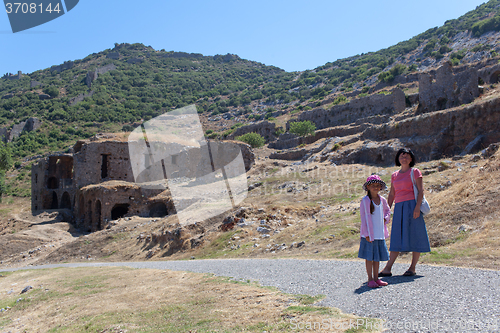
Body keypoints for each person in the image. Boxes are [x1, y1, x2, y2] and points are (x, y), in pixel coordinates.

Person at [379, 148, 431, 277]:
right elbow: (392, 194)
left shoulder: (415, 172)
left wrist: (417, 207)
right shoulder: (394, 175)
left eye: (407, 156)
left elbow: (420, 191)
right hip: (399, 208)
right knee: (396, 236)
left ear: (411, 159)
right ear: (398, 158)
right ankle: (388, 268)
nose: (404, 158)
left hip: (413, 206)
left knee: (416, 235)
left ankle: (412, 268)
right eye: (402, 156)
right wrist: (387, 209)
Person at [358, 175, 391, 288]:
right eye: (373, 185)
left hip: (379, 234)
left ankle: (377, 278)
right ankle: (370, 279)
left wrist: (385, 219)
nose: (375, 187)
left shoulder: (382, 200)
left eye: (377, 185)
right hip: (369, 235)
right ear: (368, 187)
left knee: (376, 258)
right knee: (369, 258)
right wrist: (366, 234)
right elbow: (363, 218)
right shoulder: (365, 201)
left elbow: (387, 211)